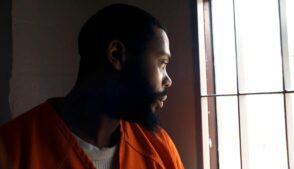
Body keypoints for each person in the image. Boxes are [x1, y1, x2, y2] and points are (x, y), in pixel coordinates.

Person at [0, 3, 184, 169]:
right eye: (162, 63)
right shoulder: (10, 149)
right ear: (116, 55)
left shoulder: (160, 146)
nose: (168, 80)